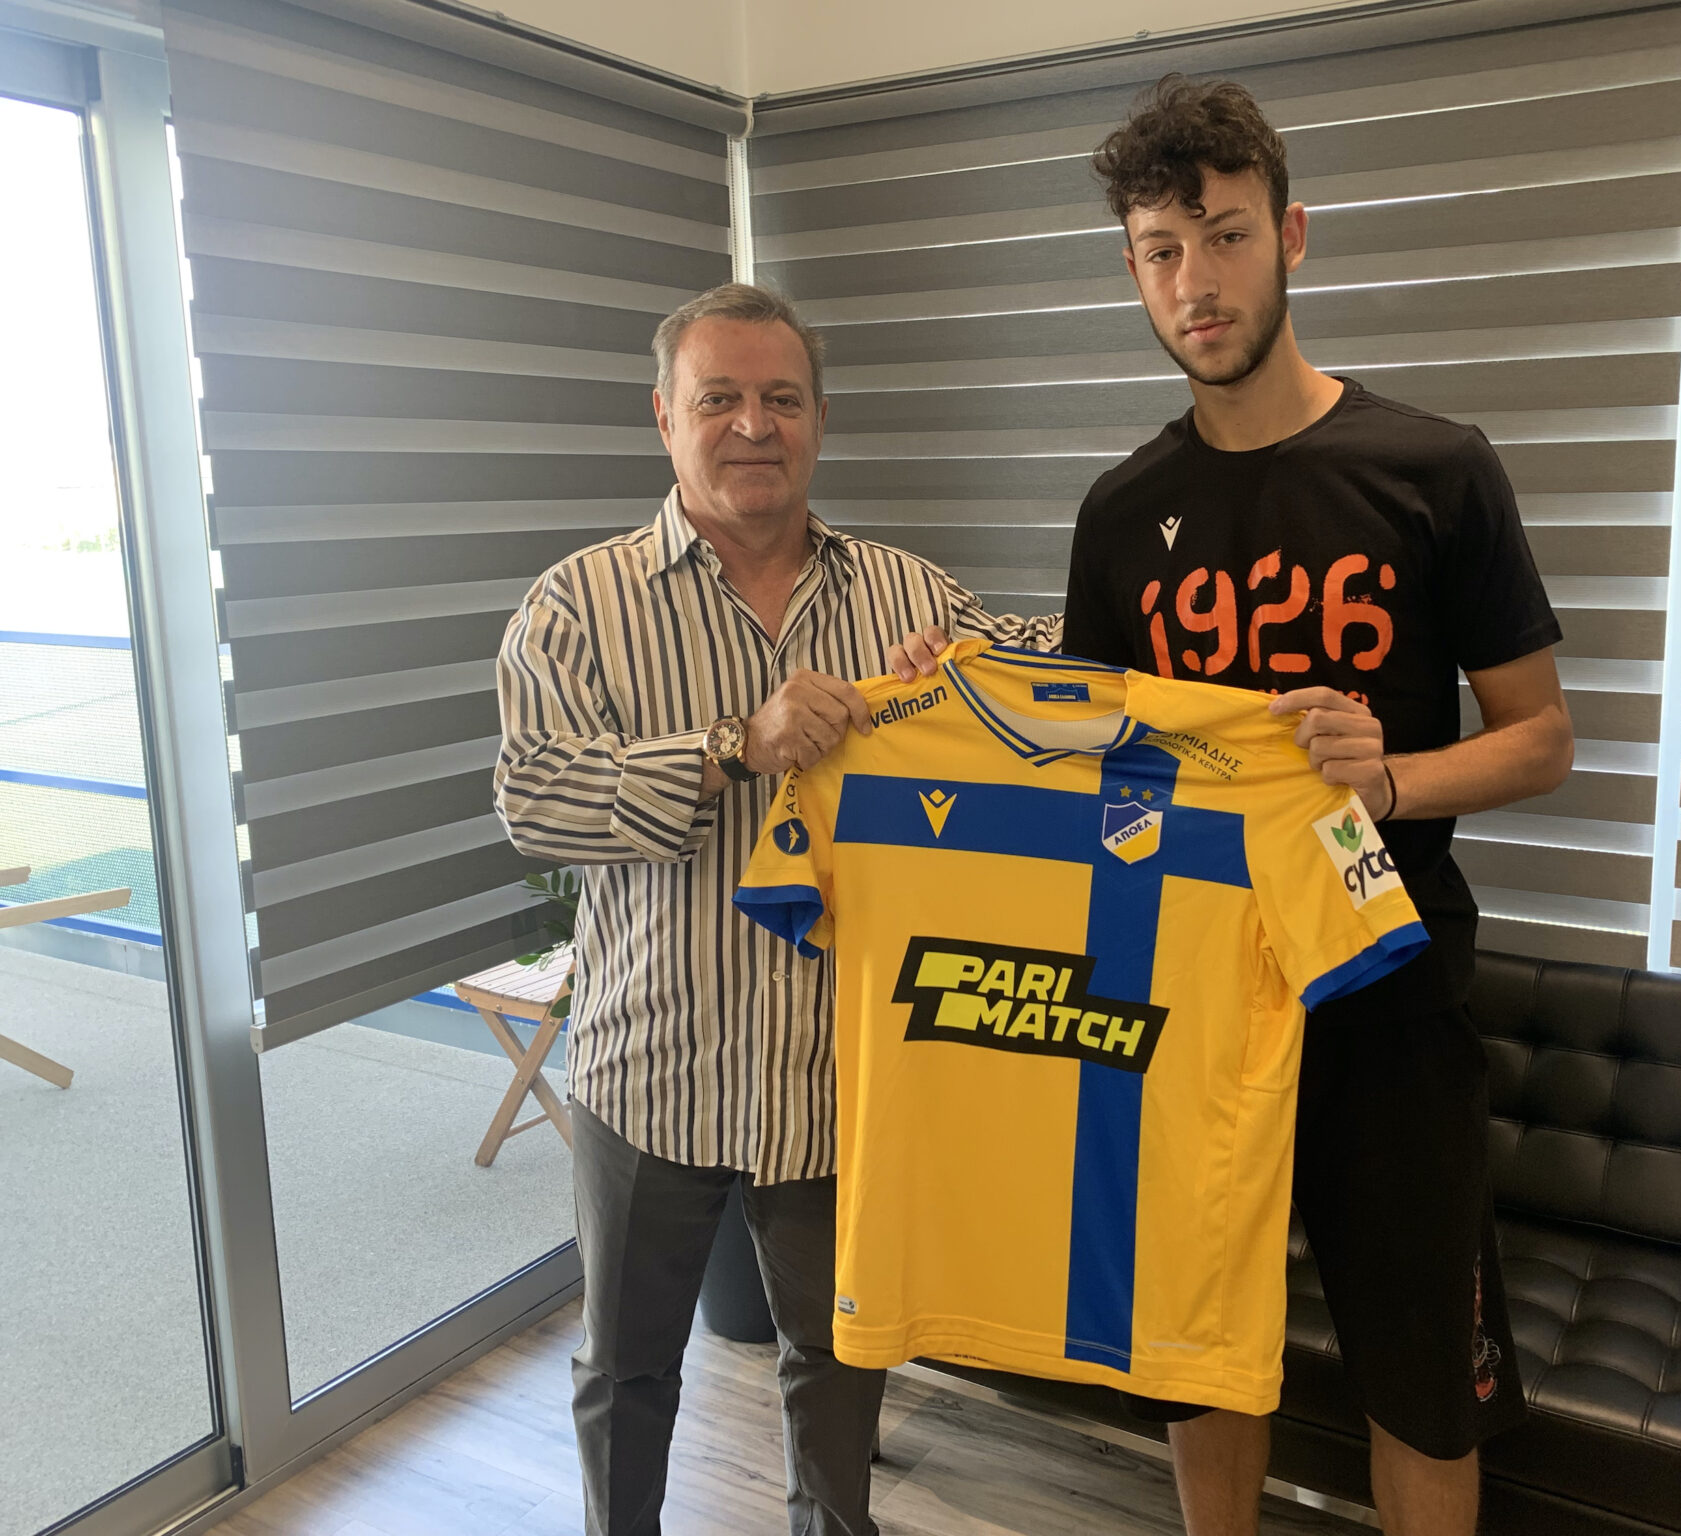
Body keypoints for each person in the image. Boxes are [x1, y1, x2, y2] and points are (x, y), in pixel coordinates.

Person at [892, 76, 1573, 1536]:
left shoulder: (1435, 470)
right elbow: (1093, 759)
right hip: (1187, 1001)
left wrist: (1388, 777)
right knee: (1200, 1360)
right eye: (1160, 249)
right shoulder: (1117, 512)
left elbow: (1542, 742)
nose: (1194, 282)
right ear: (1130, 268)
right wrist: (946, 695)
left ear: (1292, 235)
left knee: (1421, 1387)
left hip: (1388, 997)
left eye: (1224, 234)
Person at [494, 282, 1054, 1536]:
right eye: (720, 399)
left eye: (781, 398)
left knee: (841, 1370)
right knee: (625, 1375)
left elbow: (1052, 673)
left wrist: (981, 677)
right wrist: (728, 747)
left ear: (818, 419)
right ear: (664, 417)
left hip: (837, 1082)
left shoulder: (905, 595)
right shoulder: (576, 605)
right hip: (653, 1076)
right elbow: (533, 800)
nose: (753, 425)